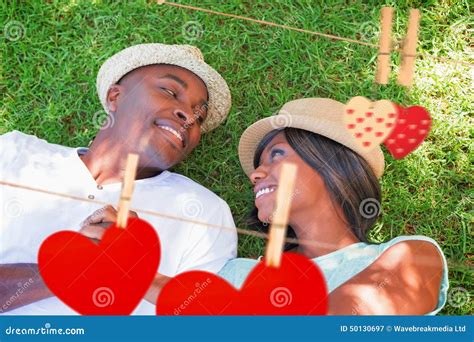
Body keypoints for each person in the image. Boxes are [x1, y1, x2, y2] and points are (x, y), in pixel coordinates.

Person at [0, 43, 237, 315]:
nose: (188, 116)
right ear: (115, 96)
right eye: (170, 92)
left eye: (200, 116)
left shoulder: (204, 213)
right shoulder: (13, 154)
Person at [217, 97, 449, 315]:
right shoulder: (236, 273)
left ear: (330, 161)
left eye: (276, 154)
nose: (255, 174)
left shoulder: (413, 256)